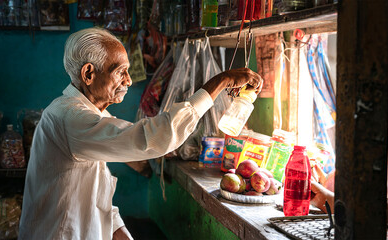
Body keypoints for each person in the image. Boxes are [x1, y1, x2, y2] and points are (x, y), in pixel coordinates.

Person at [18, 27, 263, 240]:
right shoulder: (70, 118)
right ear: (88, 74)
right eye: (119, 71)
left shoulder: (89, 116)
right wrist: (221, 81)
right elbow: (154, 138)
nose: (128, 79)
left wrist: (120, 233)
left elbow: (92, 194)